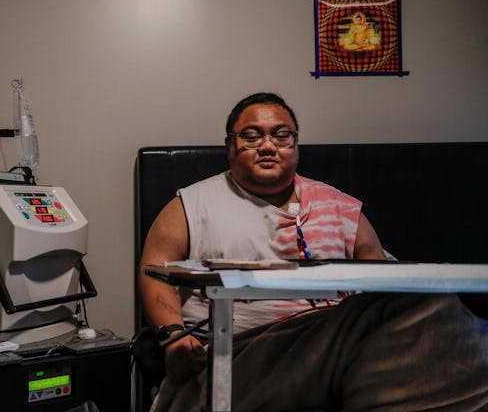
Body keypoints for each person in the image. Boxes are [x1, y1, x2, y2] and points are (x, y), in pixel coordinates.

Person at [138, 93, 488, 411]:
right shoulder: (192, 205)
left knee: (442, 308)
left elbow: (383, 282)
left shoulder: (338, 205)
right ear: (230, 146)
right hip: (243, 348)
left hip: (334, 341)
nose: (268, 146)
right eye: (251, 136)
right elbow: (153, 269)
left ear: (296, 144)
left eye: (281, 135)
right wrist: (173, 338)